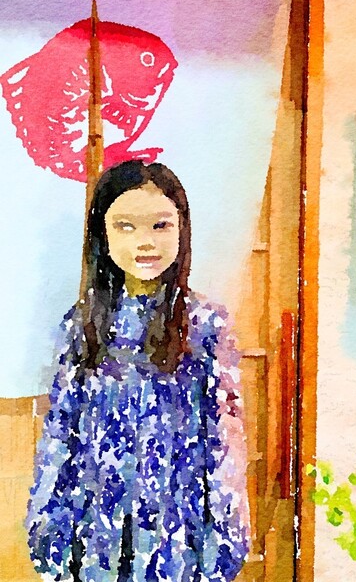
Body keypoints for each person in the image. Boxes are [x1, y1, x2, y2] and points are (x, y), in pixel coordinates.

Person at [26, 161, 251, 582]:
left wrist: (225, 541)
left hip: (178, 529)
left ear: (181, 230)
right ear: (103, 235)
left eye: (160, 226)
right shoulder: (81, 326)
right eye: (125, 226)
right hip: (96, 528)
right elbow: (59, 437)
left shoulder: (205, 324)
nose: (145, 242)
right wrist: (49, 535)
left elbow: (223, 440)